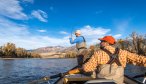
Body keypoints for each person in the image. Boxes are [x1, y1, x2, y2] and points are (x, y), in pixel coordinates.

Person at [68, 36, 146, 84]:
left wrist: (83, 65)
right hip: (118, 82)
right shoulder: (123, 53)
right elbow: (140, 59)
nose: (100, 43)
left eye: (101, 41)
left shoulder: (98, 53)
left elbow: (86, 68)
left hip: (101, 83)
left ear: (106, 43)